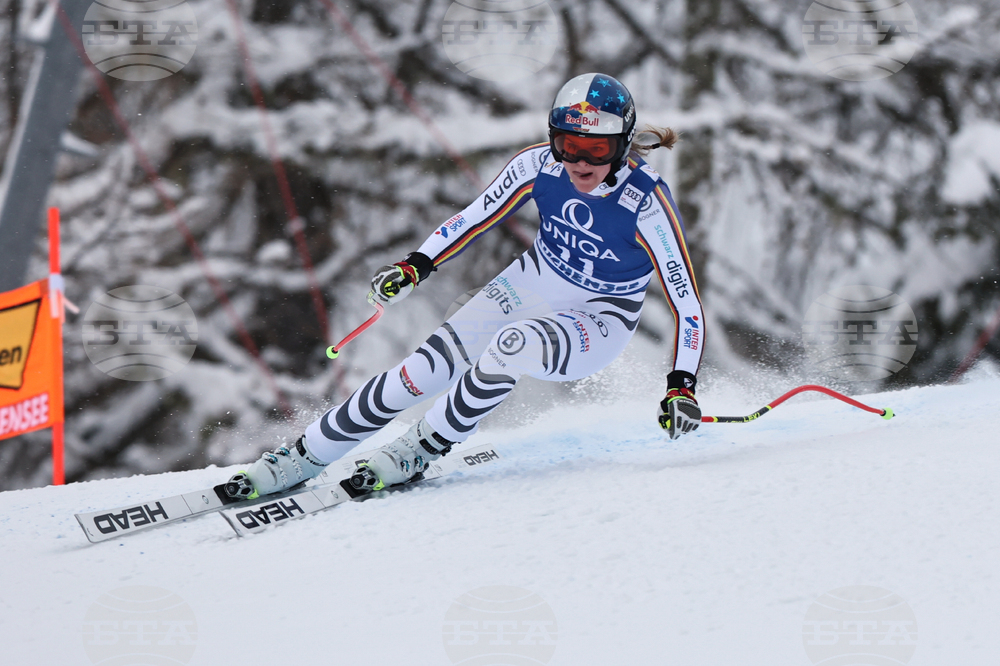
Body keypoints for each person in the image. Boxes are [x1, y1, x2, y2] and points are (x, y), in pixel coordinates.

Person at [224, 72, 706, 500]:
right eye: (567, 144)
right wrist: (416, 265)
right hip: (532, 280)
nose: (579, 162)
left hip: (599, 317)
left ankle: (420, 447)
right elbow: (475, 218)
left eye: (596, 149)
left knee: (511, 346)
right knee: (419, 373)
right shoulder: (539, 166)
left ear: (621, 145)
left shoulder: (646, 204)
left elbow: (688, 308)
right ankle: (303, 457)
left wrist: (680, 387)